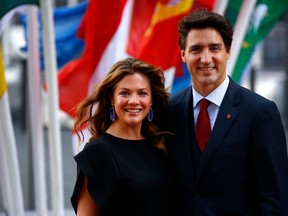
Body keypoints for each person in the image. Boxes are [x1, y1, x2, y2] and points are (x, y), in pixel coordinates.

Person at [166, 8, 288, 215]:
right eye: (196, 49)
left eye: (214, 48)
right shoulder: (168, 110)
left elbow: (275, 199)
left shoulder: (260, 113)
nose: (206, 59)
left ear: (227, 52)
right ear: (183, 55)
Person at [70, 57, 175, 216]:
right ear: (112, 98)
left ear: (151, 99)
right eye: (125, 93)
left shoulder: (159, 146)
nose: (134, 101)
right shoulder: (98, 153)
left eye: (142, 93)